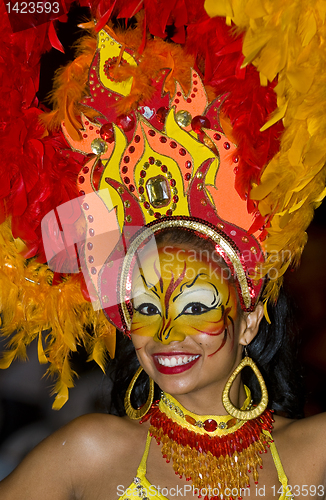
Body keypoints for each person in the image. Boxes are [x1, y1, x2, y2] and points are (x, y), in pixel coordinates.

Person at [1, 0, 326, 499]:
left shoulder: (316, 454)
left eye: (196, 306)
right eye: (147, 308)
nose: (167, 334)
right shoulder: (88, 455)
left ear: (251, 318)